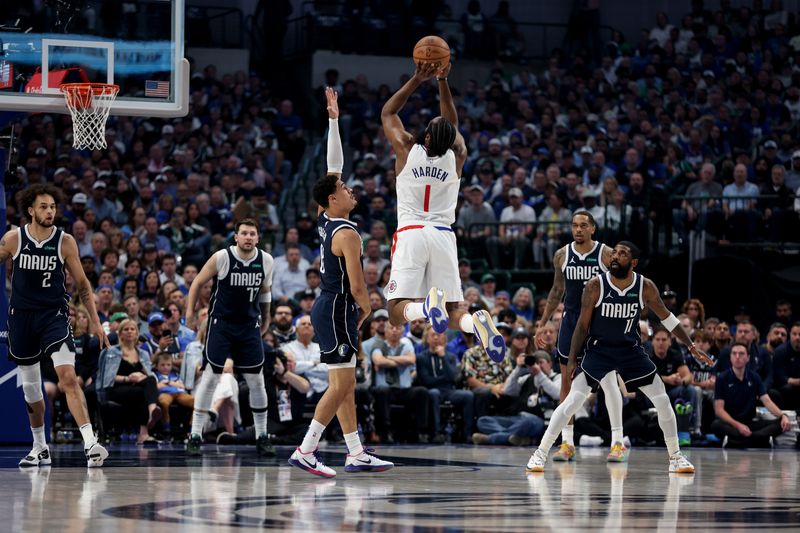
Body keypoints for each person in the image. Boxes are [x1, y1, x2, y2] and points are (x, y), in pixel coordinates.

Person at [526, 242, 714, 474]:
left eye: (622, 254)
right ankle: (540, 454)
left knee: (663, 400)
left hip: (630, 351)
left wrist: (691, 345)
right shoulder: (595, 285)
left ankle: (676, 457)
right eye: (614, 252)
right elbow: (582, 327)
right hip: (599, 351)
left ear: (633, 262)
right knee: (573, 400)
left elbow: (667, 318)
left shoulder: (645, 286)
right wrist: (573, 359)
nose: (615, 256)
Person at [289, 88, 393, 477]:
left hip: (328, 306)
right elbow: (357, 283)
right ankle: (307, 448)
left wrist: (333, 120)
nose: (349, 189)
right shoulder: (346, 233)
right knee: (340, 385)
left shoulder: (325, 216)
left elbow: (333, 168)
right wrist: (367, 307)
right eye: (344, 190)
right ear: (333, 201)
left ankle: (355, 452)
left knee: (344, 383)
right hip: (337, 307)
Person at [381, 62, 505, 362]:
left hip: (411, 232)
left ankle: (425, 308)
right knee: (452, 313)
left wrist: (416, 79)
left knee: (396, 311)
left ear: (424, 137)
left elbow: (388, 113)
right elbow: (452, 123)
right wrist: (442, 80)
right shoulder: (457, 156)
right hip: (443, 235)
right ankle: (475, 323)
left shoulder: (406, 149)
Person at [2, 184, 110, 468]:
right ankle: (40, 447)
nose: (49, 212)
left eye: (52, 207)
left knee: (68, 377)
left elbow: (84, 287)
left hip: (54, 316)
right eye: (43, 207)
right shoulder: (14, 239)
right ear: (30, 210)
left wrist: (97, 323)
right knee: (32, 390)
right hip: (22, 318)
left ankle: (90, 443)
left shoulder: (65, 241)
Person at [532, 210, 623, 463]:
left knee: (608, 380)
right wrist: (543, 322)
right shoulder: (562, 255)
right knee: (566, 382)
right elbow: (556, 290)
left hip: (599, 322)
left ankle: (617, 442)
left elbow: (621, 286)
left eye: (584, 225)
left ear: (593, 228)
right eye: (575, 225)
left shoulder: (606, 254)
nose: (579, 230)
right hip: (571, 321)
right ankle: (567, 443)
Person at [184, 218, 276, 456]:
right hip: (221, 324)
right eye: (243, 233)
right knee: (211, 377)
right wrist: (189, 314)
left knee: (256, 380)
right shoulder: (222, 257)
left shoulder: (266, 260)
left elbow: (265, 291)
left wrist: (266, 319)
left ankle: (262, 435)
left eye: (252, 233)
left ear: (257, 238)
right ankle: (195, 434)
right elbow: (196, 283)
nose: (247, 237)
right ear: (236, 237)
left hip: (248, 325)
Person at [711, 342, 791, 448]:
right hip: (731, 423)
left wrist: (782, 416)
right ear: (730, 357)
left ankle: (737, 441)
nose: (737, 357)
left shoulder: (755, 377)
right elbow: (719, 410)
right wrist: (738, 426)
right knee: (716, 425)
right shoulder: (722, 378)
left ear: (748, 358)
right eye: (734, 354)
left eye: (741, 354)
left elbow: (767, 401)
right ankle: (760, 440)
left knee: (781, 423)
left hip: (750, 423)